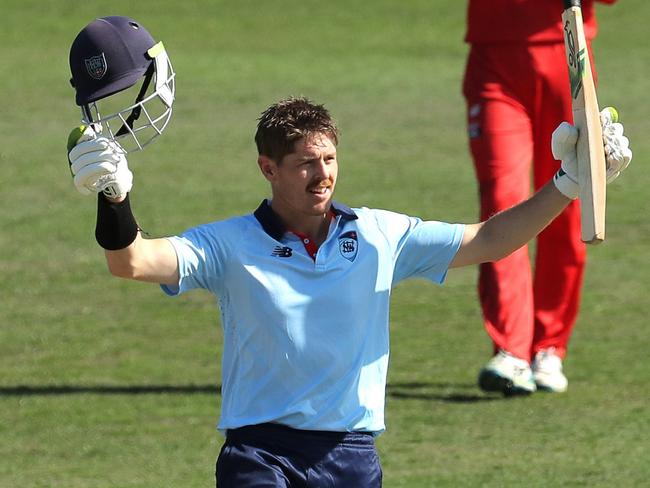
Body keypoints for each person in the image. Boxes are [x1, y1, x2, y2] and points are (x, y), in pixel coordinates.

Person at [67, 17, 631, 488]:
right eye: (306, 164)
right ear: (268, 169)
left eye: (329, 159)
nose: (323, 175)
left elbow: (488, 239)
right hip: (258, 455)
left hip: (352, 458)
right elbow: (132, 261)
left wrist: (567, 184)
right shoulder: (229, 245)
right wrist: (116, 198)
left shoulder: (381, 236)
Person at [462, 0, 619, 395]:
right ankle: (512, 349)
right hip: (495, 56)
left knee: (569, 201)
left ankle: (549, 347)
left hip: (567, 55)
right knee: (503, 199)